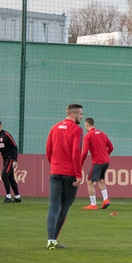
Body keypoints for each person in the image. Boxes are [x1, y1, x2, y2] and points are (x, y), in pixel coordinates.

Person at [46, 104, 84, 250]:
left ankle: (51, 240)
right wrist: (78, 174)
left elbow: (48, 151)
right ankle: (54, 239)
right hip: (70, 174)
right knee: (64, 208)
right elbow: (76, 153)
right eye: (80, 114)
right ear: (73, 115)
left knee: (53, 206)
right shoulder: (76, 129)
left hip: (55, 172)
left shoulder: (54, 127)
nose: (81, 116)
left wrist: (55, 165)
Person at [80, 117, 115, 210]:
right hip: (106, 161)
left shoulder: (88, 136)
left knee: (89, 181)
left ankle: (93, 204)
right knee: (100, 180)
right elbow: (111, 147)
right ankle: (106, 200)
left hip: (97, 162)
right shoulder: (102, 134)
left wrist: (80, 163)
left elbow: (84, 152)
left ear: (87, 125)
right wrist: (105, 155)